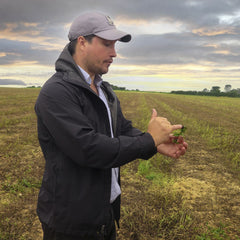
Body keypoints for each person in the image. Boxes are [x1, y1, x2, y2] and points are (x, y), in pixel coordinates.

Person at [35, 11, 188, 240]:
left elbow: (122, 129)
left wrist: (155, 143)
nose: (114, 53)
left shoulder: (105, 89)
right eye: (106, 44)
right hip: (71, 222)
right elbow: (89, 149)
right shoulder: (56, 92)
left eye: (115, 46)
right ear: (82, 42)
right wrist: (148, 140)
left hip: (105, 212)